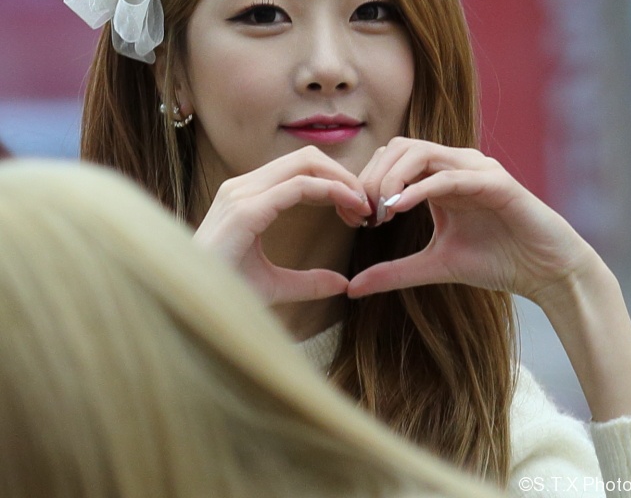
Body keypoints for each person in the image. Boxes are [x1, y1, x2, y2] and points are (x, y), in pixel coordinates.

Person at [67, 0, 631, 495]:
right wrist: (175, 338)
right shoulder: (55, 344)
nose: (328, 66)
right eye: (264, 14)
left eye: (372, 11)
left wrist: (578, 288)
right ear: (170, 69)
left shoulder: (482, 414)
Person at [0, 158, 501, 498]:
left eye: (373, 28)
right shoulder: (38, 249)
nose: (328, 70)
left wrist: (554, 280)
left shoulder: (494, 407)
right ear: (173, 74)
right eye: (263, 30)